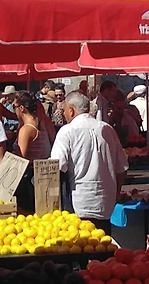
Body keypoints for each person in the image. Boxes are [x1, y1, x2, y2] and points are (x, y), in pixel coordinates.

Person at [50, 92, 127, 221]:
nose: (64, 114)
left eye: (64, 110)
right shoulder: (107, 129)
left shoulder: (67, 131)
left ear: (71, 110)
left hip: (79, 202)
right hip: (106, 203)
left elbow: (57, 166)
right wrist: (116, 194)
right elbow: (122, 168)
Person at [12, 89, 54, 162]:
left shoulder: (26, 130)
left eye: (14, 106)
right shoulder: (40, 124)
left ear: (21, 108)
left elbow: (20, 160)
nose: (14, 110)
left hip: (29, 168)